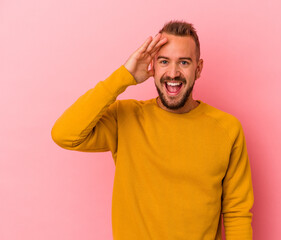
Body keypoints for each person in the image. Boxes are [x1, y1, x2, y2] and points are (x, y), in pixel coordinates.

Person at [51, 20, 254, 240]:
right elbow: (65, 134)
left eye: (184, 62)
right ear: (153, 67)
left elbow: (237, 213)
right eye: (164, 61)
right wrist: (124, 76)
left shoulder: (227, 129)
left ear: (198, 69)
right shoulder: (126, 118)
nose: (173, 72)